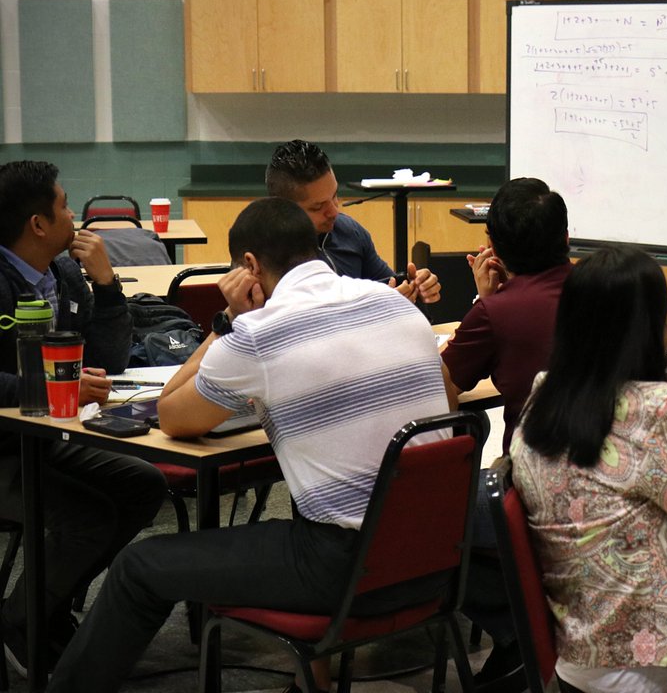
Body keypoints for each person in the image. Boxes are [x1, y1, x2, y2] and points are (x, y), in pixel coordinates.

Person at [49, 197, 452, 693]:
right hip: (434, 559)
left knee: (139, 566)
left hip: (346, 570)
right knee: (305, 512)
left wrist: (227, 322)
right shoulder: (394, 302)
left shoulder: (259, 334)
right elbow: (447, 397)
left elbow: (172, 416)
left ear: (250, 267)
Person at [511, 245, 667, 693]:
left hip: (579, 654)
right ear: (646, 330)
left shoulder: (539, 403)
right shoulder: (662, 415)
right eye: (666, 314)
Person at [0, 160, 166, 675]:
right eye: (66, 205)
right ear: (38, 225)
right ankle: (20, 621)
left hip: (50, 439)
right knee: (87, 517)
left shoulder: (64, 273)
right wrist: (56, 388)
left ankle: (45, 607)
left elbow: (110, 361)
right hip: (5, 449)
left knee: (142, 484)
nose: (75, 215)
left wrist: (109, 285)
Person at [441, 176, 572, 453]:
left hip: (532, 482)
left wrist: (486, 302)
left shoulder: (494, 313)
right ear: (566, 237)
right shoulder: (605, 290)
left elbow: (442, 389)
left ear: (494, 249)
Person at [264, 138, 441, 304]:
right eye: (318, 207)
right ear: (283, 209)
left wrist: (415, 288)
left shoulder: (350, 232)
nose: (334, 211)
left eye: (334, 196)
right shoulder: (264, 258)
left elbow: (390, 285)